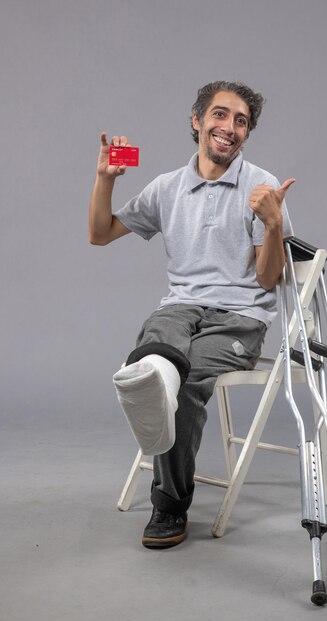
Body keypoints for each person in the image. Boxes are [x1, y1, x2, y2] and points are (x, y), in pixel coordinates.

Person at [89, 80, 294, 549]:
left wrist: (274, 223)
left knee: (181, 389)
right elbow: (100, 234)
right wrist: (106, 178)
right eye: (220, 115)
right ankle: (149, 376)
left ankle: (169, 505)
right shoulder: (168, 188)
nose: (230, 128)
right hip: (179, 310)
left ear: (246, 133)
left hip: (239, 318)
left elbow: (267, 282)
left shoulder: (262, 188)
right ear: (198, 121)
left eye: (241, 121)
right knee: (156, 360)